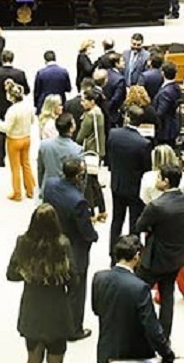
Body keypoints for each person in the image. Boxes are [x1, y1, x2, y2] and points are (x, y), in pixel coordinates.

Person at [91, 234, 175, 363]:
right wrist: (167, 353)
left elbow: (96, 309)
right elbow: (152, 329)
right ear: (137, 256)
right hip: (133, 354)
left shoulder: (99, 277)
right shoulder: (140, 288)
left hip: (108, 349)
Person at [7, 204, 76, 363]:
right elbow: (72, 279)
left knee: (33, 360)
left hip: (32, 308)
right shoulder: (62, 244)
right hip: (56, 309)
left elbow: (11, 274)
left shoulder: (22, 242)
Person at [133, 165, 184, 337]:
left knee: (139, 293)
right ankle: (164, 336)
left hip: (155, 258)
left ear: (166, 182)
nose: (156, 180)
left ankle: (140, 332)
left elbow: (139, 225)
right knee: (168, 297)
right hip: (176, 256)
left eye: (159, 177)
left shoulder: (156, 205)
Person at [41, 158, 96, 340]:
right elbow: (86, 231)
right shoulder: (78, 201)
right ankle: (74, 329)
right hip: (75, 247)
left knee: (56, 283)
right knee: (76, 290)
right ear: (79, 176)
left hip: (53, 241)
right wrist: (94, 235)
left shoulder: (50, 185)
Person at [106, 106, 153, 249]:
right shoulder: (144, 143)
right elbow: (147, 170)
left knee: (116, 220)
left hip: (117, 183)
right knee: (135, 223)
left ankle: (113, 254)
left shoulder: (113, 134)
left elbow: (109, 157)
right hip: (135, 188)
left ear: (127, 117)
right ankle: (132, 253)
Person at [0, 78, 37, 202]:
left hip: (14, 140)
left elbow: (6, 128)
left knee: (15, 167)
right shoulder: (29, 107)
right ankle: (30, 189)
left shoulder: (12, 111)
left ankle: (17, 192)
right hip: (26, 137)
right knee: (26, 164)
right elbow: (32, 121)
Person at [0, 49, 28, 167]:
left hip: (0, 105)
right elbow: (26, 90)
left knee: (0, 132)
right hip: (15, 105)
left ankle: (0, 158)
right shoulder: (19, 73)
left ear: (2, 59)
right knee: (17, 129)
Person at [75, 89, 109, 222]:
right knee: (94, 182)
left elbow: (81, 135)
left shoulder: (89, 115)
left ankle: (92, 212)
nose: (82, 103)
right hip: (99, 151)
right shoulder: (99, 112)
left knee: (88, 184)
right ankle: (102, 210)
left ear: (92, 101)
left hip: (90, 151)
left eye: (84, 100)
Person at [36, 112, 83, 193]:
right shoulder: (77, 150)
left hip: (48, 188)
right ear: (71, 128)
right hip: (67, 192)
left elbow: (40, 169)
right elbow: (80, 177)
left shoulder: (44, 145)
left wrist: (41, 187)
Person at [152, 62, 183, 147]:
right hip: (171, 125)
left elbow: (160, 113)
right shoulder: (176, 87)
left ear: (162, 73)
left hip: (165, 129)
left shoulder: (165, 92)